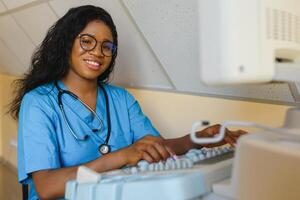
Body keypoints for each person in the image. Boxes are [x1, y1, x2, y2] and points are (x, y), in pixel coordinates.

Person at [9, 5, 246, 200]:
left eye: (106, 46)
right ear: (67, 43)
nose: (98, 52)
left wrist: (199, 139)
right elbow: (46, 187)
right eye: (87, 41)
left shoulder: (120, 98)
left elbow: (153, 148)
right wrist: (122, 156)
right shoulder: (39, 102)